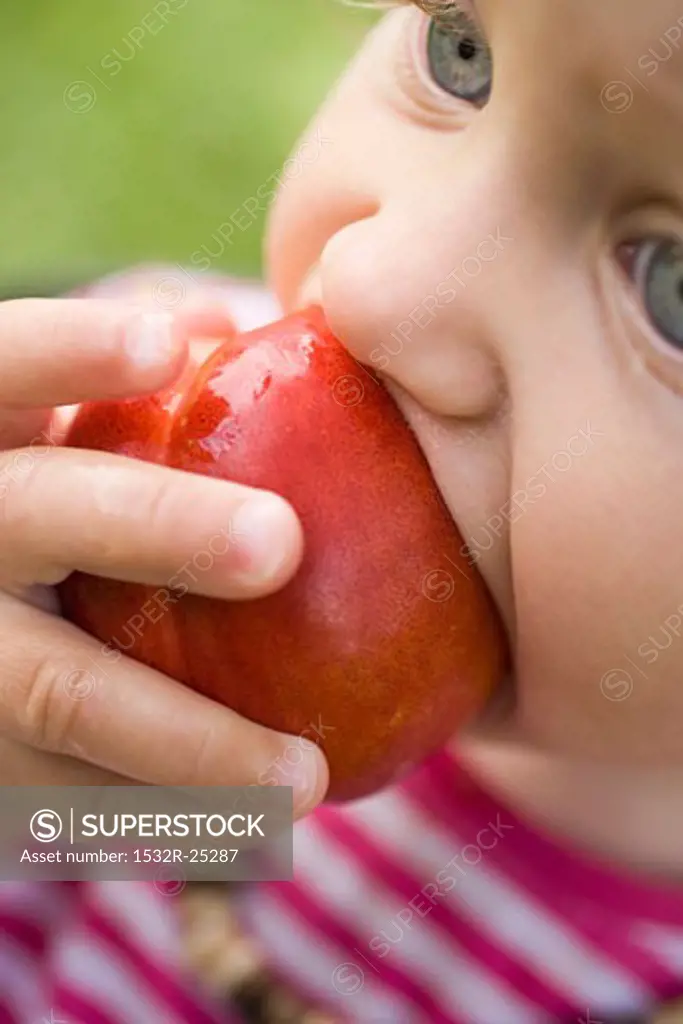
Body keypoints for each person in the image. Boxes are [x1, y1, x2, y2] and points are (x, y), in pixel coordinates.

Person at [2, 0, 683, 1020]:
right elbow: (96, 833)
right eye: (457, 53)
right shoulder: (113, 456)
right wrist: (33, 772)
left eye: (666, 283)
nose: (378, 279)